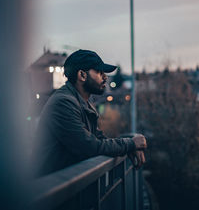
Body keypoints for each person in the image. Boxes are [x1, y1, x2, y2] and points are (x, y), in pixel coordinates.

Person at [32, 49, 146, 177]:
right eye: (99, 72)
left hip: (66, 183)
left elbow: (99, 139)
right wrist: (130, 144)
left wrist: (128, 147)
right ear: (82, 75)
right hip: (49, 189)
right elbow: (89, 147)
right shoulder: (64, 103)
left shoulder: (82, 102)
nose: (105, 77)